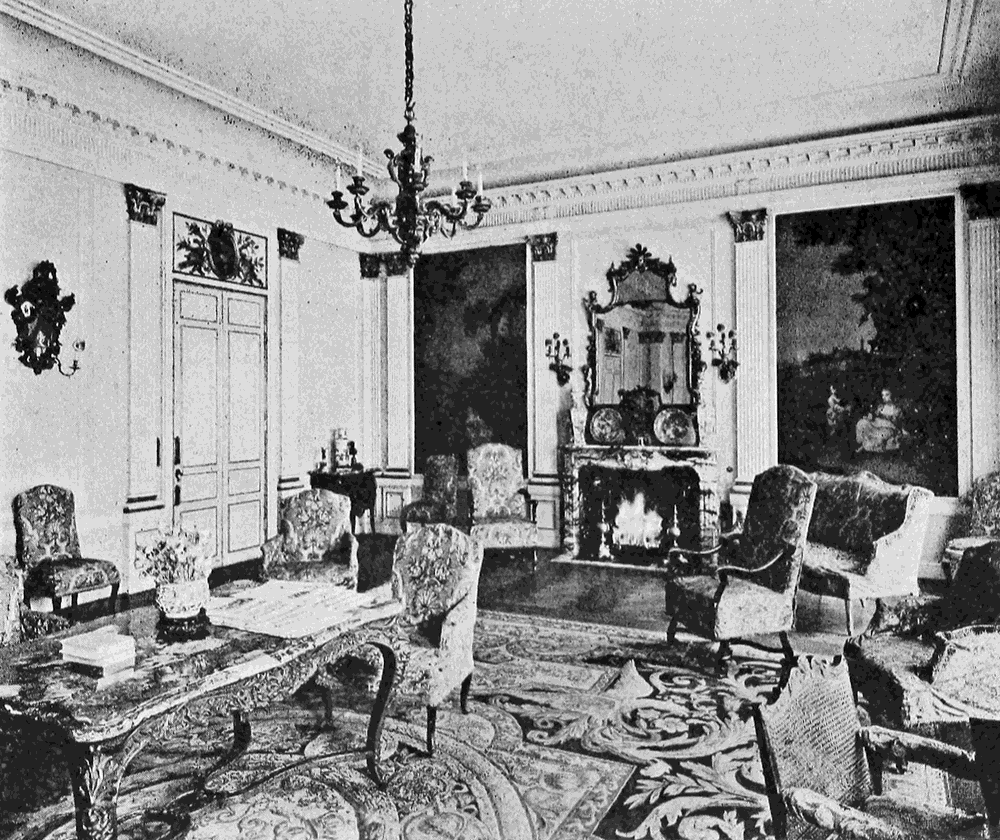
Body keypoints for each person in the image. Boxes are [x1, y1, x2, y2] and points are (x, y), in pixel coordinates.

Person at [855, 387, 905, 453]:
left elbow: (901, 422)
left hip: (888, 428)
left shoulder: (896, 409)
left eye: (887, 395)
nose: (884, 397)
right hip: (877, 425)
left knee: (880, 437)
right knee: (862, 423)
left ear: (892, 395)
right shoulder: (881, 407)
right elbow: (873, 415)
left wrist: (903, 431)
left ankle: (868, 445)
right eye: (883, 395)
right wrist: (869, 417)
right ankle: (862, 442)